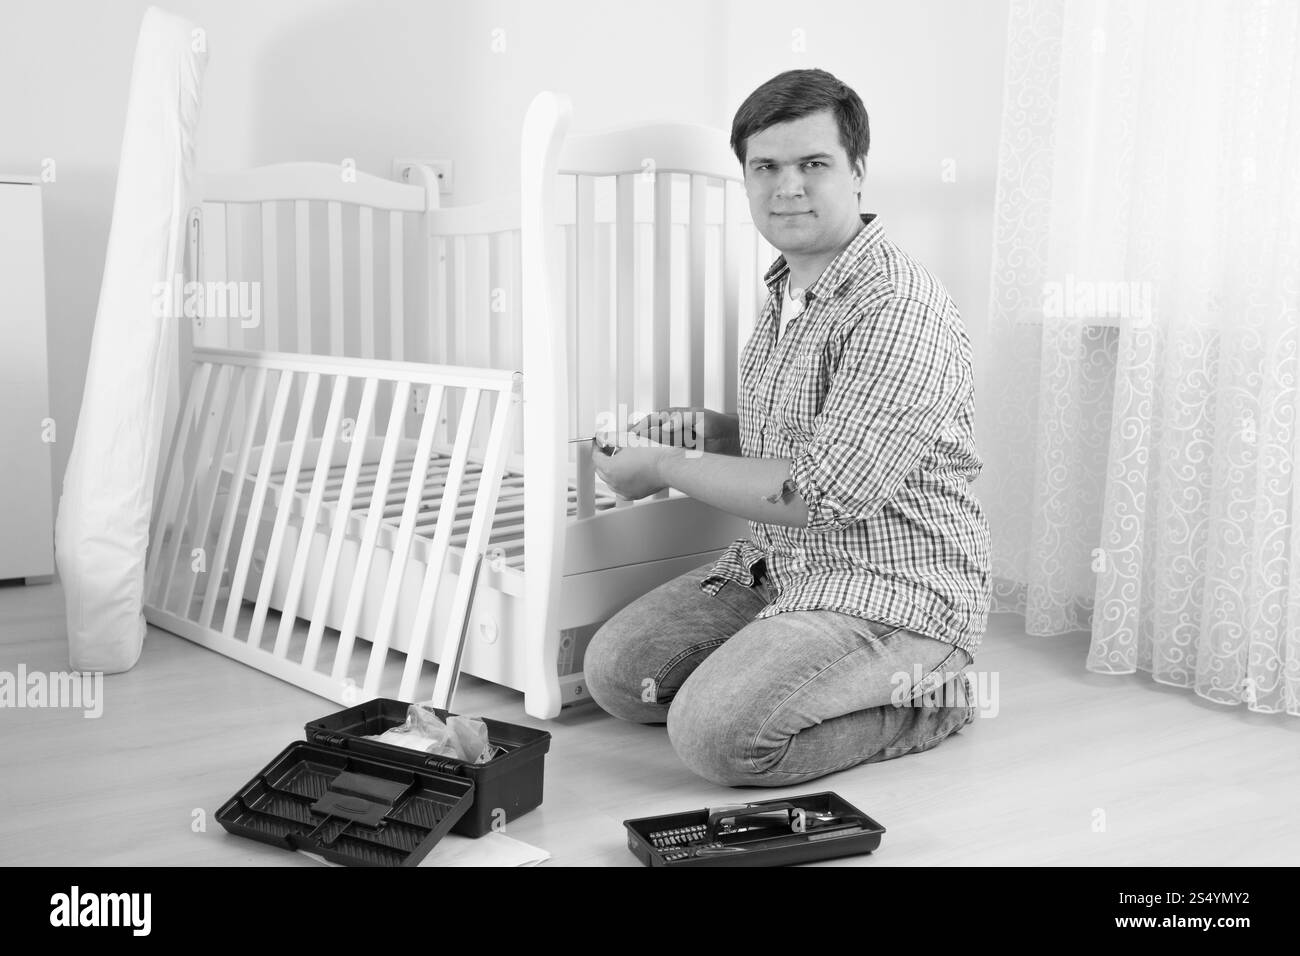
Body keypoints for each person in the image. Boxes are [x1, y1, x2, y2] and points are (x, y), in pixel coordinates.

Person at [584, 68, 991, 787]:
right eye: (765, 168)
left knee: (716, 737)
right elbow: (817, 438)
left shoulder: (896, 306)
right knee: (619, 676)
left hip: (893, 588)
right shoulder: (790, 289)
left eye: (813, 164)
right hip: (782, 569)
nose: (787, 186)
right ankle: (783, 664)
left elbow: (822, 491)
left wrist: (664, 467)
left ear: (858, 172)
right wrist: (715, 433)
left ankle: (935, 699)